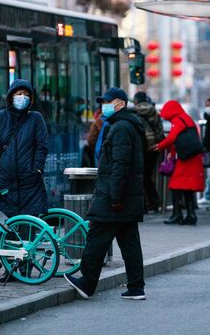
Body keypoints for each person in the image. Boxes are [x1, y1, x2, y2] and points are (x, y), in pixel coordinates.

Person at [64, 87, 146, 300]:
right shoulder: (129, 125)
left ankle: (87, 283)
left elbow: (120, 165)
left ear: (120, 104)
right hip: (126, 197)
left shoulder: (120, 128)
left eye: (108, 102)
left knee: (96, 237)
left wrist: (115, 197)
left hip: (114, 197)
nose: (104, 106)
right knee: (129, 242)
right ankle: (136, 288)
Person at [0, 79, 49, 283]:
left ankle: (26, 268)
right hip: (4, 183)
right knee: (7, 228)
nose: (23, 98)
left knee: (27, 228)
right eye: (19, 93)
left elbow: (42, 145)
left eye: (26, 94)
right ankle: (10, 268)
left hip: (30, 183)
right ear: (11, 96)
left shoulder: (36, 118)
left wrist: (36, 168)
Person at [156, 100, 205, 225]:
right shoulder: (187, 119)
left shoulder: (178, 120)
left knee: (175, 186)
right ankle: (190, 214)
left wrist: (159, 146)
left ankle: (177, 214)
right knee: (187, 188)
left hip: (186, 159)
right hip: (192, 156)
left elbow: (172, 137)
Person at [133, 91, 165, 212]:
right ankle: (154, 202)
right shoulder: (153, 111)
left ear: (136, 101)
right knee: (147, 176)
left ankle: (145, 204)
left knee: (141, 176)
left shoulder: (135, 112)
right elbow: (159, 130)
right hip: (154, 148)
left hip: (141, 149)